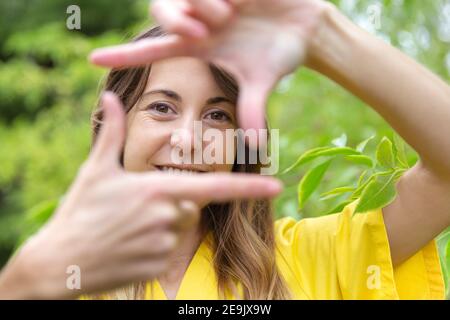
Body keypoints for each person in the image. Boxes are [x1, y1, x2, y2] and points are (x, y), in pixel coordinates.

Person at [1, 0, 449, 299]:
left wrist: (324, 36)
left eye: (218, 115)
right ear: (113, 128)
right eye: (162, 108)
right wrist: (26, 281)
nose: (189, 138)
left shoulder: (306, 259)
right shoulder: (62, 277)